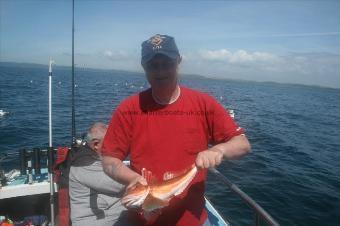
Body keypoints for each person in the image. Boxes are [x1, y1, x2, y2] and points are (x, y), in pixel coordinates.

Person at [101, 34, 251, 226]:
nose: (161, 71)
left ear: (178, 61)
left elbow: (242, 143)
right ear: (143, 66)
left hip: (192, 219)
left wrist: (218, 150)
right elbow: (109, 159)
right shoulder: (128, 109)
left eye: (167, 63)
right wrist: (132, 179)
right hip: (141, 219)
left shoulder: (203, 104)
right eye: (153, 65)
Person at [69, 123, 128, 226]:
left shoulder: (96, 158)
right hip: (98, 221)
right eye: (112, 142)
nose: (117, 145)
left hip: (112, 217)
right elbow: (120, 184)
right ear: (96, 144)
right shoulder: (85, 164)